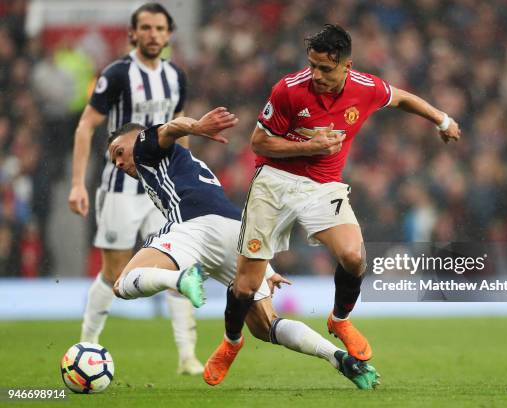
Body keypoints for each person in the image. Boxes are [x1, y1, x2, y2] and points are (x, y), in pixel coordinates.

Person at [204, 24, 461, 385]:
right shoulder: (288, 90)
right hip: (274, 184)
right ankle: (232, 342)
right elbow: (259, 143)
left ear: (346, 66)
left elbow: (401, 97)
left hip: (323, 187)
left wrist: (442, 119)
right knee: (246, 286)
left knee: (354, 256)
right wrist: (309, 146)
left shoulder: (366, 87)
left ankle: (339, 319)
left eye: (326, 68)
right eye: (312, 66)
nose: (317, 75)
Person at [106, 109, 381, 390]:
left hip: (193, 227)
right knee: (266, 327)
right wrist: (268, 269)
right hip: (236, 232)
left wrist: (196, 126)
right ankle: (339, 359)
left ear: (134, 138)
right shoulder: (174, 165)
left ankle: (180, 279)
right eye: (113, 160)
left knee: (123, 284)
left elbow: (170, 129)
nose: (117, 162)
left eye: (118, 152)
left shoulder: (144, 146)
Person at [67, 3, 201, 375]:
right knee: (114, 273)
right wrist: (78, 183)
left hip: (163, 189)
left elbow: (180, 129)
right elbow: (85, 126)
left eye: (160, 28)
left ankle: (187, 355)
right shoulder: (118, 73)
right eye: (146, 28)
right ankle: (88, 344)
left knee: (179, 261)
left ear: (169, 34)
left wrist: (186, 180)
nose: (153, 34)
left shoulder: (176, 76)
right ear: (133, 33)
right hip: (120, 188)